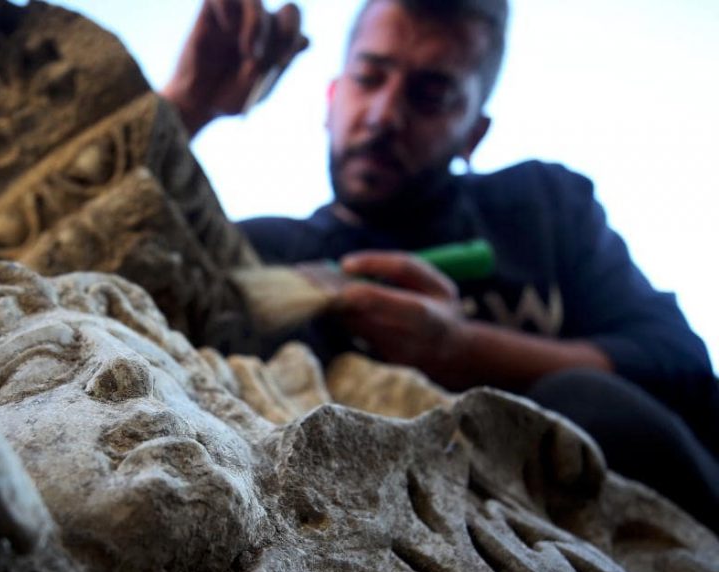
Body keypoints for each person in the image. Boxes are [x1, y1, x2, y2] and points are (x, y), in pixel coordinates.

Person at [161, 0, 719, 526]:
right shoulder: (270, 253)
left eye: (429, 96)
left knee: (581, 403)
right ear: (331, 96)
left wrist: (462, 350)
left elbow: (680, 367)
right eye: (369, 78)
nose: (383, 115)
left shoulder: (542, 208)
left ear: (474, 132)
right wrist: (188, 106)